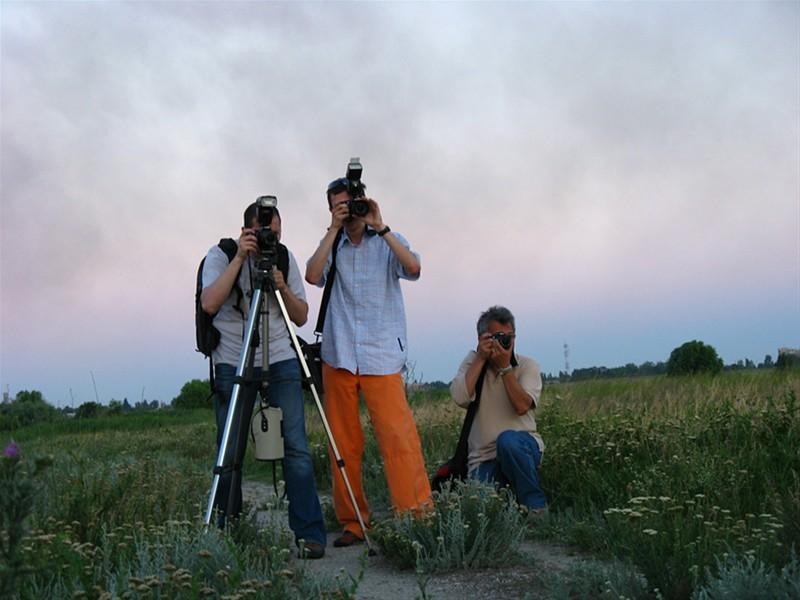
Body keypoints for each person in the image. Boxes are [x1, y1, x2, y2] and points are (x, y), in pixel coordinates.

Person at [305, 177, 432, 547]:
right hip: (340, 354)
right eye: (338, 206)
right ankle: (354, 523)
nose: (348, 212)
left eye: (351, 204)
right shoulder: (333, 244)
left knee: (398, 438)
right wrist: (332, 229)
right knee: (343, 445)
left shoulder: (386, 239)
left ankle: (416, 516)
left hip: (381, 355)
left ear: (364, 200)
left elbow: (414, 268)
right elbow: (312, 275)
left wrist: (381, 225)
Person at [201, 202, 327, 558]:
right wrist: (241, 259)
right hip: (233, 358)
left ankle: (310, 534)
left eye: (275, 229)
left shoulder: (284, 258)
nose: (270, 236)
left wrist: (282, 286)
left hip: (281, 355)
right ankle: (226, 531)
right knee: (230, 450)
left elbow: (301, 317)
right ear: (247, 230)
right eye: (262, 230)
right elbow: (209, 303)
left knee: (296, 447)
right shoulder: (222, 255)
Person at [450, 306, 547, 514]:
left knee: (508, 441)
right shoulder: (473, 363)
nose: (505, 343)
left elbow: (522, 406)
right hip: (483, 458)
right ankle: (512, 501)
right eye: (498, 337)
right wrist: (480, 359)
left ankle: (536, 507)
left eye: (509, 337)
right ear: (482, 338)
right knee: (481, 508)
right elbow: (459, 397)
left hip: (521, 447)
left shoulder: (527, 365)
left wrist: (505, 369)